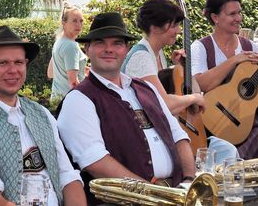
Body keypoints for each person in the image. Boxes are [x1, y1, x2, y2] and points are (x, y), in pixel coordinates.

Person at [57, 12, 196, 202]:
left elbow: (178, 136)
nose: (109, 49)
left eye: (117, 43)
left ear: (126, 49)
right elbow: (97, 163)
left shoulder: (146, 88)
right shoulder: (78, 99)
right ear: (87, 49)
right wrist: (155, 195)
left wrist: (189, 181)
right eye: (100, 43)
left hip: (176, 195)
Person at [0, 26, 84, 206]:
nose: (13, 70)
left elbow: (68, 176)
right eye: (3, 63)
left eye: (18, 62)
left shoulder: (41, 113)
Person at [190, 0, 258, 159]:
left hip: (244, 122)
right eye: (232, 14)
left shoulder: (250, 46)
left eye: (239, 12)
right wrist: (234, 60)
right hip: (212, 121)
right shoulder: (201, 46)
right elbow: (201, 83)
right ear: (215, 18)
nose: (238, 18)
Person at [122, 0, 205, 115]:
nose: (179, 30)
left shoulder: (157, 53)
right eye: (174, 25)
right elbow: (163, 104)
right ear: (154, 28)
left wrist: (179, 67)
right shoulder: (141, 57)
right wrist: (195, 98)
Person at [49, 3, 88, 105]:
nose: (79, 25)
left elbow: (51, 73)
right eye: (74, 21)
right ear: (64, 23)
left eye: (81, 21)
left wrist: (83, 70)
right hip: (70, 102)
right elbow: (73, 83)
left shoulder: (59, 42)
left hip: (57, 99)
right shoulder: (71, 46)